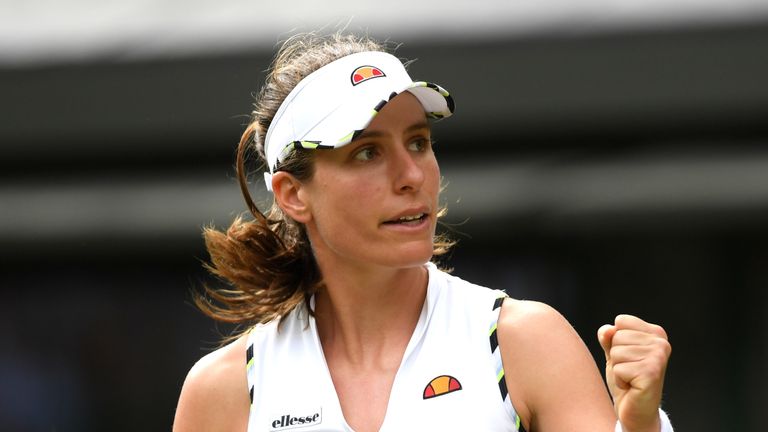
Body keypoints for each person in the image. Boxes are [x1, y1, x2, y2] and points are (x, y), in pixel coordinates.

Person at [173, 32, 673, 432]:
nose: (411, 175)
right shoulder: (223, 391)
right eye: (366, 152)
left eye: (418, 141)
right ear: (292, 194)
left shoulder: (525, 341)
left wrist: (641, 425)